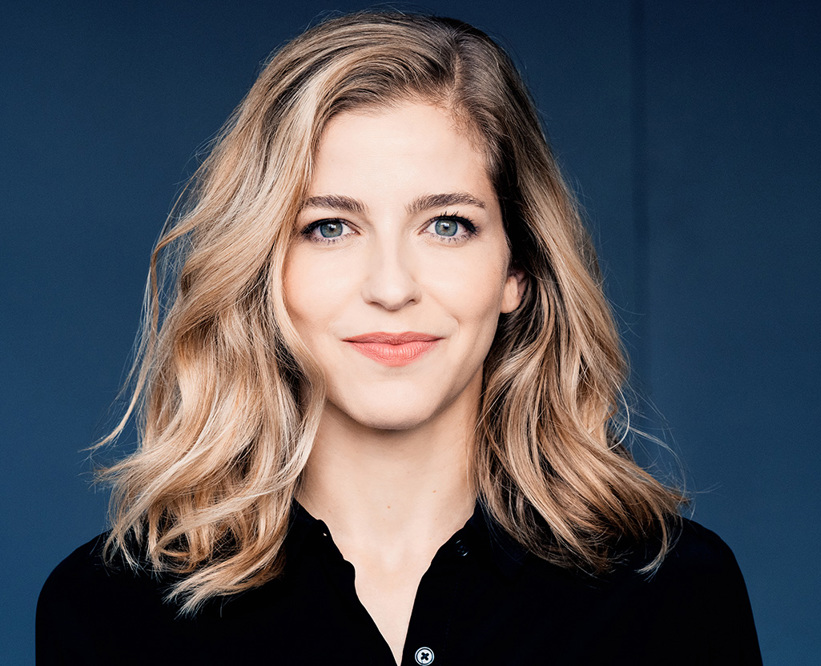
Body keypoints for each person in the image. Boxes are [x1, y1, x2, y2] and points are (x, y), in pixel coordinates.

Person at [36, 11, 761, 665]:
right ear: (265, 273)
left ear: (519, 271)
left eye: (446, 225)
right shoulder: (111, 612)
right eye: (329, 227)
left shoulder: (671, 596)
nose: (390, 286)